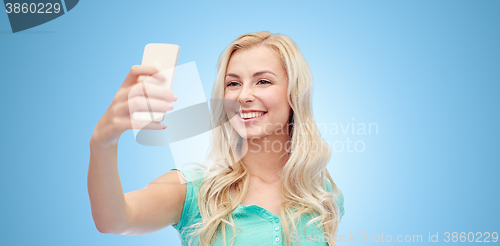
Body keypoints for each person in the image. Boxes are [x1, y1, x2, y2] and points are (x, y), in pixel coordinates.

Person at [88, 31, 345, 246]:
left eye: (263, 81)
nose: (244, 95)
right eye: (233, 84)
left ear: (294, 94)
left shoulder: (321, 194)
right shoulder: (193, 189)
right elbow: (113, 219)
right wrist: (103, 143)